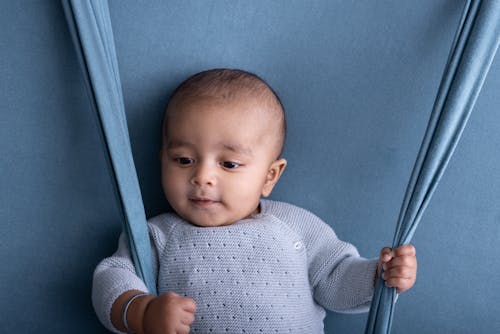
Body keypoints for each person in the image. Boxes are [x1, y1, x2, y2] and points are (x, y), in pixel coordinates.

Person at [92, 68, 417, 334]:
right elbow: (112, 276)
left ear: (269, 176)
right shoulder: (157, 236)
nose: (202, 176)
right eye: (183, 160)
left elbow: (336, 279)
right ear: (161, 159)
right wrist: (142, 311)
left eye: (229, 164)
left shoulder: (295, 226)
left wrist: (379, 276)